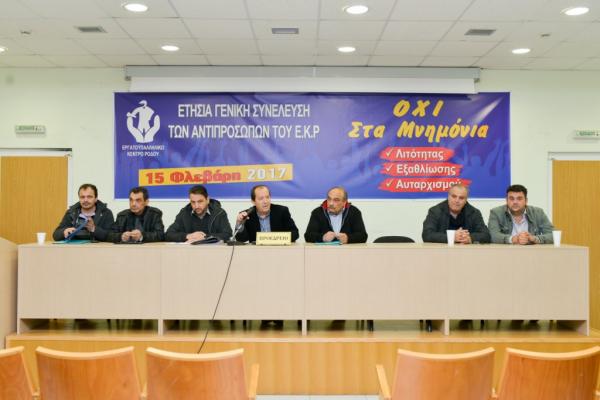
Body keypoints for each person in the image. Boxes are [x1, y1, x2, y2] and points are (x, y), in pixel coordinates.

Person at [422, 184, 490, 244]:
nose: (457, 201)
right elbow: (427, 235)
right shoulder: (435, 211)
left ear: (466, 200)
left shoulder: (474, 213)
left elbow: (486, 235)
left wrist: (470, 238)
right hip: (442, 252)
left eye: (461, 198)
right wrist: (451, 237)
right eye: (454, 196)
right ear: (448, 196)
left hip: (467, 252)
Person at [488, 184, 554, 244]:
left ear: (526, 201)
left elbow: (553, 235)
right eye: (511, 199)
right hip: (506, 251)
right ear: (506, 200)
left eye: (519, 199)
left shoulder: (538, 213)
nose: (515, 202)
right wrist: (512, 239)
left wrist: (534, 239)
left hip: (532, 252)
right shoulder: (496, 213)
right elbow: (493, 236)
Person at [166, 185, 232, 243]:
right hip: (190, 251)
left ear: (207, 200)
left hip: (212, 251)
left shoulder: (219, 213)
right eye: (193, 202)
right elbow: (169, 234)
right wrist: (188, 236)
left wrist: (205, 237)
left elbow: (227, 234)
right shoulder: (184, 213)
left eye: (200, 201)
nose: (196, 206)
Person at [234, 185, 299, 243]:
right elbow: (241, 239)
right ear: (253, 201)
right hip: (256, 251)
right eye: (261, 198)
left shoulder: (281, 211)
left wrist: (275, 239)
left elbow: (295, 233)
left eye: (267, 197)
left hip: (278, 249)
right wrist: (239, 223)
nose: (265, 201)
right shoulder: (247, 215)